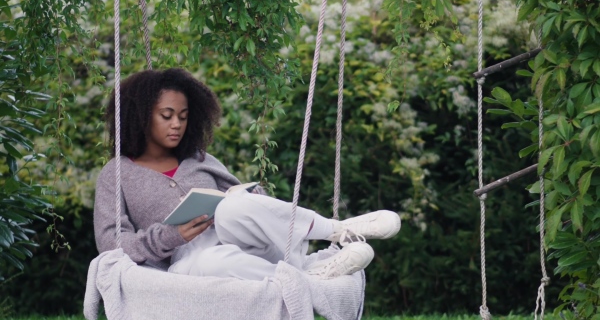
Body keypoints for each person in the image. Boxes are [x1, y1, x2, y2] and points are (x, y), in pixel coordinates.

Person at [94, 68, 400, 282]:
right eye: (167, 116)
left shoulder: (200, 159)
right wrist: (171, 235)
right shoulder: (117, 174)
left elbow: (254, 206)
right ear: (139, 117)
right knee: (211, 261)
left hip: (246, 243)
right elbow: (111, 244)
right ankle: (308, 275)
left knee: (233, 204)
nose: (177, 125)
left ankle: (336, 230)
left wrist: (251, 197)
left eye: (184, 117)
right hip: (189, 262)